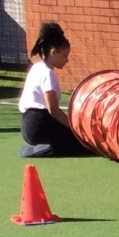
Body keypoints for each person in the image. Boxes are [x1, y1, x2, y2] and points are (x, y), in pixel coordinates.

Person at [17, 21, 88, 157]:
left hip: (27, 126)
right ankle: (48, 147)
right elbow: (53, 110)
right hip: (39, 126)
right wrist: (74, 128)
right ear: (54, 52)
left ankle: (43, 146)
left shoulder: (36, 67)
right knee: (82, 143)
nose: (67, 60)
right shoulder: (48, 74)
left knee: (74, 140)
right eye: (65, 55)